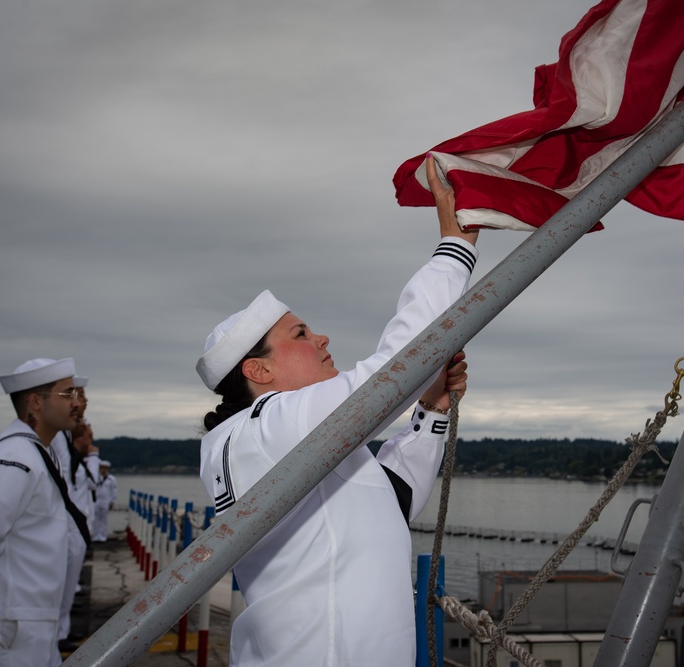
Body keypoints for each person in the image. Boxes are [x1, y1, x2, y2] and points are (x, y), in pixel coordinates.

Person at [197, 157, 479, 666]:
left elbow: (383, 504)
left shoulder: (270, 440)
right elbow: (393, 369)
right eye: (300, 334)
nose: (321, 337)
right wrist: (453, 250)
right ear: (257, 372)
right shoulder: (266, 427)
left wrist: (431, 413)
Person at [0, 357, 83, 667]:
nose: (76, 403)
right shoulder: (14, 458)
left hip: (26, 620)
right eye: (67, 394)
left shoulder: (34, 453)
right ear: (35, 402)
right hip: (7, 622)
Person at [53, 377, 99, 648]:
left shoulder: (64, 439)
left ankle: (59, 633)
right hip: (65, 527)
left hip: (72, 527)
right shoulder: (58, 439)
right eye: (76, 395)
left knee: (64, 590)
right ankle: (57, 635)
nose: (82, 402)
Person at [93, 460, 117, 542]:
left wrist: (112, 502)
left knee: (103, 520)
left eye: (105, 468)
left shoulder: (111, 479)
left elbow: (114, 491)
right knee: (96, 520)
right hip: (96, 501)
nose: (103, 469)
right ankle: (96, 536)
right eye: (101, 468)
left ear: (107, 469)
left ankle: (103, 536)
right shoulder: (95, 477)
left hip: (106, 501)